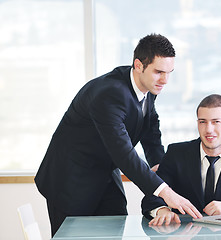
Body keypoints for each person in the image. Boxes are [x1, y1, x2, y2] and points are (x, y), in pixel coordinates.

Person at [35, 33, 201, 236]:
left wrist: (161, 169)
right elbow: (124, 153)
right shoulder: (110, 94)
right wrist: (166, 193)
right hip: (71, 180)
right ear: (139, 65)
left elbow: (151, 134)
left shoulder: (148, 87)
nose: (165, 80)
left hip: (105, 175)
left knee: (116, 230)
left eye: (169, 72)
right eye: (159, 72)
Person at [141, 94, 221, 226]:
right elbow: (152, 196)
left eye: (216, 122)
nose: (209, 129)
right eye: (203, 122)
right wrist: (162, 211)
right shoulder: (176, 153)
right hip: (185, 234)